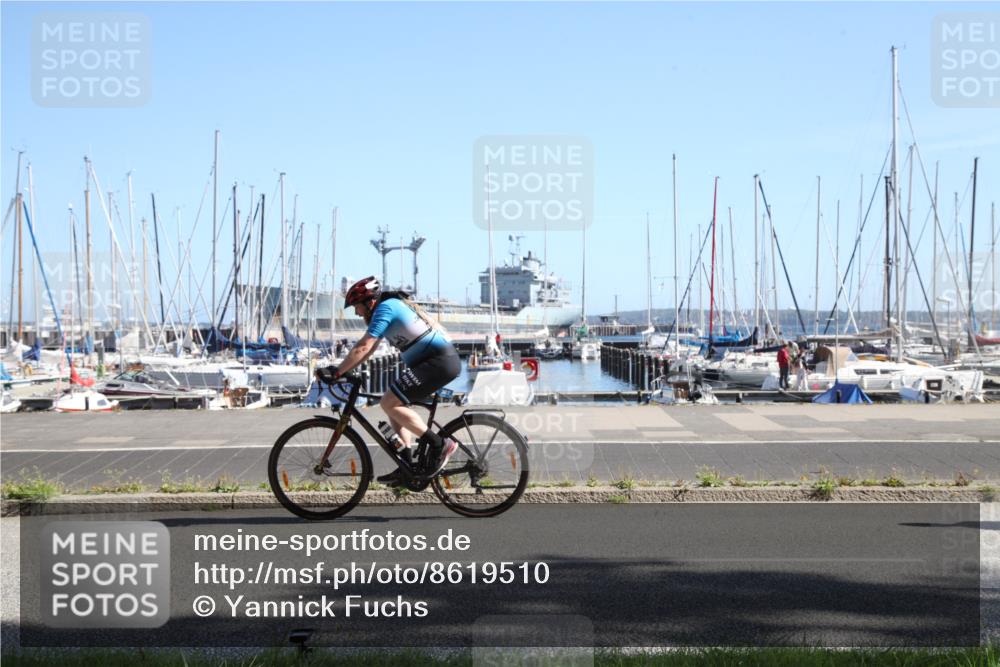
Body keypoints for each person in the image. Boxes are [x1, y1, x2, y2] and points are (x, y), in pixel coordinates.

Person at [316, 276, 460, 483]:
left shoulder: (386, 308)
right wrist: (345, 369)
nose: (357, 313)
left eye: (356, 307)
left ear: (369, 301)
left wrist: (337, 372)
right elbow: (369, 349)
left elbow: (364, 345)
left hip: (438, 361)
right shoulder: (386, 308)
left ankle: (439, 444)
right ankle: (407, 465)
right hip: (435, 362)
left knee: (389, 402)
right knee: (394, 403)